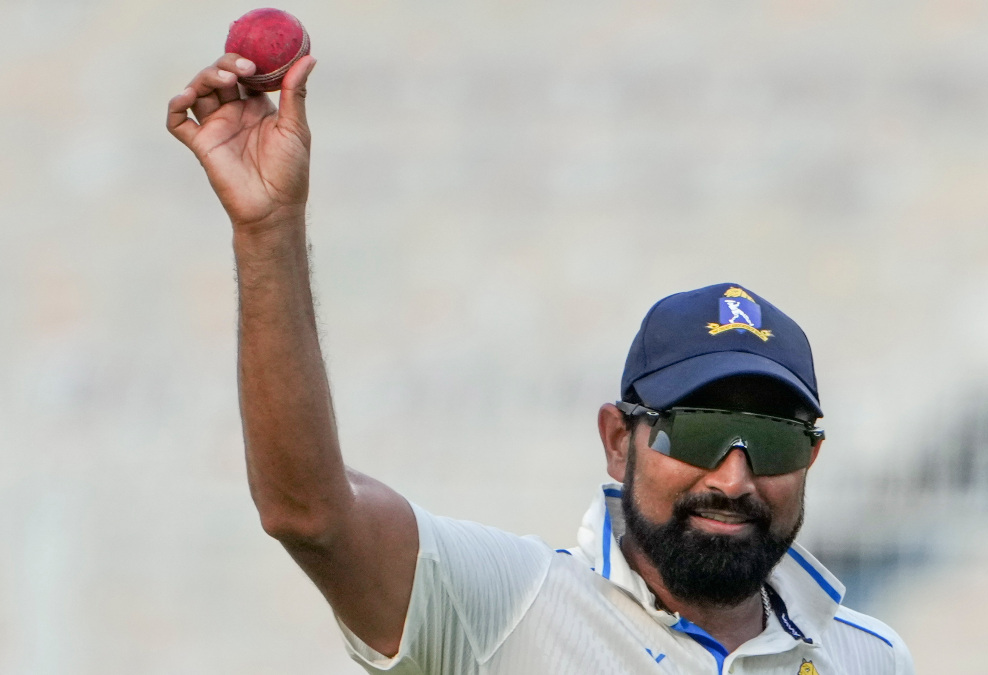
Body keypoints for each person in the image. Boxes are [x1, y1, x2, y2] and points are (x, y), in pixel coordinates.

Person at [167, 53, 915, 675]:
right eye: (697, 430)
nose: (733, 479)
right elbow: (309, 512)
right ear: (618, 439)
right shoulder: (510, 605)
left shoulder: (870, 658)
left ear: (812, 458)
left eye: (775, 440)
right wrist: (267, 230)